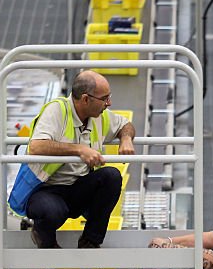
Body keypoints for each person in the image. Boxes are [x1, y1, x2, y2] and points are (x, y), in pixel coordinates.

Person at [16, 70, 135, 249]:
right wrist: (79, 150)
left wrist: (126, 139)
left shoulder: (99, 116)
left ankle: (90, 241)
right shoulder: (56, 111)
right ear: (86, 99)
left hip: (78, 189)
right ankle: (46, 242)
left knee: (112, 176)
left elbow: (126, 125)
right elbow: (36, 146)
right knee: (53, 211)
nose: (109, 103)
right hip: (46, 190)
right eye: (105, 98)